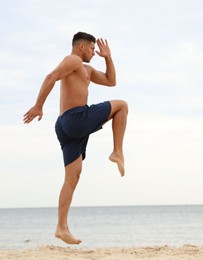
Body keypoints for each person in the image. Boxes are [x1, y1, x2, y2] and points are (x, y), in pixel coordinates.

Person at [23, 32, 128, 244]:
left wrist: (108, 57)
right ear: (81, 47)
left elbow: (111, 81)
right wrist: (39, 105)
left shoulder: (86, 69)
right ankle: (117, 151)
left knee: (72, 177)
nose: (94, 52)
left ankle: (61, 228)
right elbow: (51, 76)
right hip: (75, 118)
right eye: (92, 49)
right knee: (122, 106)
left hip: (66, 127)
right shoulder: (73, 60)